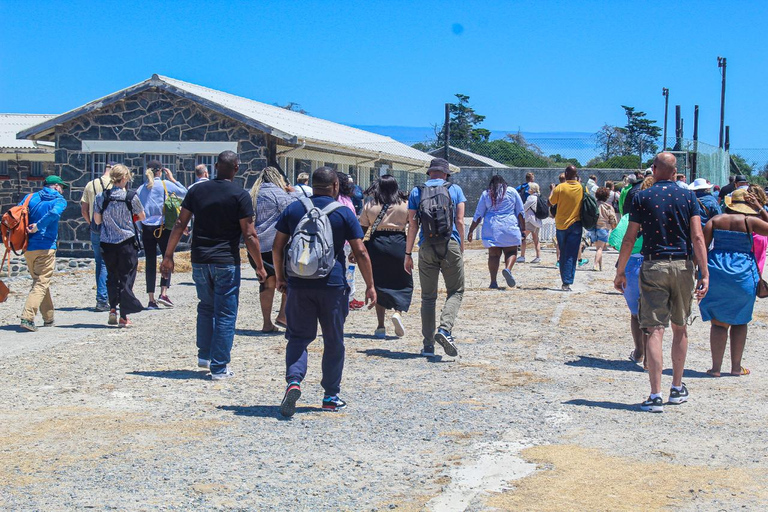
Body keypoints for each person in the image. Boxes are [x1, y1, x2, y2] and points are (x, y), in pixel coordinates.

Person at [272, 167, 376, 415]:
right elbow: (360, 251)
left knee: (298, 338)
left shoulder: (294, 208)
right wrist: (370, 285)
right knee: (333, 340)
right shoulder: (343, 212)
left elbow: (277, 247)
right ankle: (330, 396)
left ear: (312, 185)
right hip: (332, 285)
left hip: (298, 284)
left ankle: (294, 382)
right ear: (336, 187)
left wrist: (280, 277)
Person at [614, 152, 709, 413]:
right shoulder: (688, 196)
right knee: (680, 328)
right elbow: (698, 237)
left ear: (654, 169)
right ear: (675, 170)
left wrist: (620, 271)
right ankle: (676, 387)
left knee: (655, 329)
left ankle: (655, 394)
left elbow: (629, 238)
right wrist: (704, 272)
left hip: (653, 264)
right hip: (682, 264)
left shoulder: (641, 197)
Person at [160, 151, 267, 380]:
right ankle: (219, 367)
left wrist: (168, 256)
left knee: (206, 307)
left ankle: (204, 356)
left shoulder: (197, 190)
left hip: (199, 259)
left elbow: (180, 223)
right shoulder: (240, 195)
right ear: (237, 168)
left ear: (216, 166)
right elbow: (249, 235)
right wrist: (259, 266)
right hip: (226, 261)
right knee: (226, 314)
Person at [699, 189, 768, 377]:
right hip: (743, 274)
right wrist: (760, 208)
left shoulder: (715, 221)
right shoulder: (750, 221)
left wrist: (700, 274)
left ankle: (715, 368)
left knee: (718, 324)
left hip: (717, 271)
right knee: (740, 321)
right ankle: (736, 368)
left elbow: (702, 247)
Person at [405, 157, 466, 357]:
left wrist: (408, 253)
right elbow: (459, 221)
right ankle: (445, 329)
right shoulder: (455, 190)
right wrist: (462, 245)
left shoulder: (417, 191)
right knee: (455, 291)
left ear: (429, 172)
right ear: (446, 173)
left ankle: (428, 345)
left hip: (426, 246)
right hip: (450, 244)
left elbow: (412, 225)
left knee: (428, 297)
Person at [359, 175, 413, 339]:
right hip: (399, 243)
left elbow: (362, 229)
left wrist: (357, 250)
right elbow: (412, 226)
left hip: (377, 244)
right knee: (403, 280)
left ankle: (380, 326)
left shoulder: (370, 204)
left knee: (379, 283)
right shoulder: (405, 204)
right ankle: (397, 312)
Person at [93, 164, 146, 328]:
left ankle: (112, 309)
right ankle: (124, 316)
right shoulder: (131, 197)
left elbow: (97, 220)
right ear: (124, 178)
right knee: (126, 278)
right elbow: (142, 216)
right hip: (127, 242)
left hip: (107, 242)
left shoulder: (101, 197)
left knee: (111, 276)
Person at [249, 166, 297, 332]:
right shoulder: (279, 194)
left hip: (256, 247)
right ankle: (283, 315)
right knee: (288, 280)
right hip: (277, 246)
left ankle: (266, 323)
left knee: (266, 284)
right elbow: (293, 210)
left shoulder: (252, 194)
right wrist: (294, 192)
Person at [18, 176, 68, 332]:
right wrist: (38, 226)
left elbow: (17, 213)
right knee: (40, 283)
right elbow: (53, 214)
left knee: (40, 280)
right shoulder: (60, 201)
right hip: (46, 247)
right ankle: (27, 317)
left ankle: (48, 317)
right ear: (55, 186)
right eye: (61, 186)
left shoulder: (29, 197)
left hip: (27, 247)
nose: (62, 190)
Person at [136, 160, 187, 309]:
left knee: (150, 262)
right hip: (163, 227)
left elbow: (138, 211)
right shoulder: (165, 184)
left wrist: (141, 228)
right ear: (160, 171)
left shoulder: (141, 188)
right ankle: (163, 292)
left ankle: (151, 299)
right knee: (167, 258)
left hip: (146, 228)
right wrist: (172, 179)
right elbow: (184, 192)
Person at [467, 175, 526, 288]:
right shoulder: (512, 191)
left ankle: (493, 282)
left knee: (493, 255)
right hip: (509, 225)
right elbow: (520, 212)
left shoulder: (486, 193)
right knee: (511, 252)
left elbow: (479, 214)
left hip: (492, 227)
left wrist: (471, 230)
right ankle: (508, 269)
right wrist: (523, 228)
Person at [80, 161, 113, 311]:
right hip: (111, 228)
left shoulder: (90, 184)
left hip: (95, 227)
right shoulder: (117, 184)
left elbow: (84, 210)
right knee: (107, 263)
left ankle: (101, 298)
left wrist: (91, 223)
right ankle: (102, 298)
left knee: (99, 262)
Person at [549, 165, 585, 291]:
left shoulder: (560, 187)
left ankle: (564, 279)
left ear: (565, 174)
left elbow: (551, 201)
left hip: (561, 224)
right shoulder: (581, 187)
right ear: (576, 174)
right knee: (571, 253)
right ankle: (567, 281)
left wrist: (553, 189)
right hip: (575, 223)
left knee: (563, 252)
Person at [337, 171, 365, 310]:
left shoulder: (338, 199)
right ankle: (348, 297)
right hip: (347, 243)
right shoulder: (345, 201)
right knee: (349, 271)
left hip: (338, 242)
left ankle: (346, 296)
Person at [589, 187, 618, 271]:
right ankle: (595, 264)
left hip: (593, 228)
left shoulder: (593, 204)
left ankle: (600, 265)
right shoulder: (608, 207)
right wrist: (614, 229)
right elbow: (612, 219)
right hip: (603, 228)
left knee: (598, 248)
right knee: (600, 248)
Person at [747, 184, 768, 274]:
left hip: (750, 237)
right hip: (761, 238)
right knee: (759, 263)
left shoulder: (745, 207)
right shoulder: (764, 208)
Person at [519, 182, 542, 264]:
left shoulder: (531, 198)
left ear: (532, 190)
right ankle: (538, 256)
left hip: (530, 221)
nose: (528, 189)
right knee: (536, 239)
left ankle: (522, 256)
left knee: (523, 238)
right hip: (537, 221)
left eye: (529, 188)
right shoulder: (538, 197)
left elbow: (524, 208)